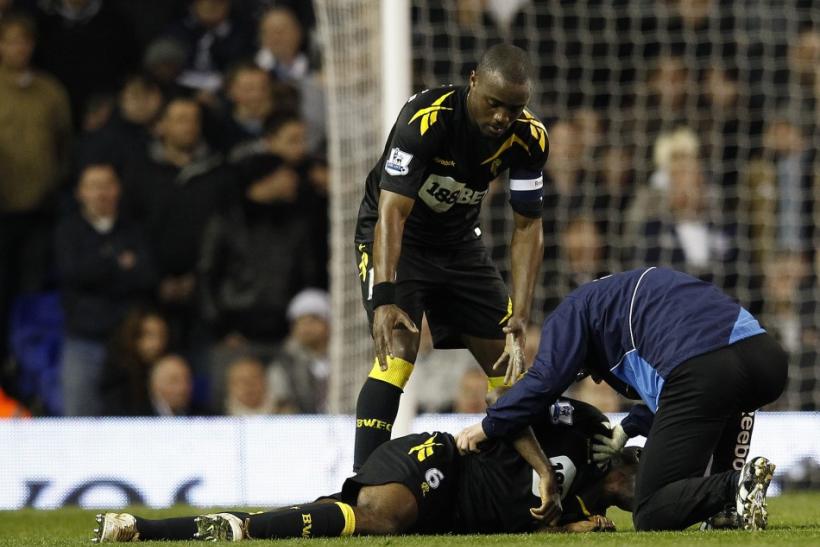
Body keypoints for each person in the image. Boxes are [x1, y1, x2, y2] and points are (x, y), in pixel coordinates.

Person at [456, 266, 788, 531]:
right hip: (767, 360)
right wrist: (628, 428)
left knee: (652, 509)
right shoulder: (637, 295)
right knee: (726, 400)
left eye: (586, 370)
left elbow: (544, 382)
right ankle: (728, 508)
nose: (597, 378)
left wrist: (488, 426)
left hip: (704, 371)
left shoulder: (570, 312)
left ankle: (734, 484)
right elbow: (678, 402)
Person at [352, 43, 548, 471]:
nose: (502, 117)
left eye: (514, 108)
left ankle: (520, 483)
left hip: (459, 244)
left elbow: (528, 226)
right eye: (494, 103)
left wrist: (521, 311)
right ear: (473, 81)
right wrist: (384, 296)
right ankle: (361, 487)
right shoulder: (425, 119)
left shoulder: (530, 138)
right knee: (397, 353)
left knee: (509, 369)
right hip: (399, 237)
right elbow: (392, 212)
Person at [92, 398, 638, 542]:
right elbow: (513, 407)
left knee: (338, 518)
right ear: (629, 458)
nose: (646, 492)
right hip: (443, 462)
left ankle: (143, 529)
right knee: (379, 519)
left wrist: (564, 525)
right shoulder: (585, 425)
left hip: (443, 517)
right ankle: (245, 529)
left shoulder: (588, 514)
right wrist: (544, 471)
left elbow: (518, 521)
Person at [55, 164, 157, 416]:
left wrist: (98, 266)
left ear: (118, 190)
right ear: (80, 192)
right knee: (79, 418)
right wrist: (117, 262)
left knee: (134, 418)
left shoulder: (135, 230)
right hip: (83, 338)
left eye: (107, 185)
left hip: (128, 340)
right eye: (93, 186)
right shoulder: (67, 232)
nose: (101, 193)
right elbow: (73, 274)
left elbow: (147, 277)